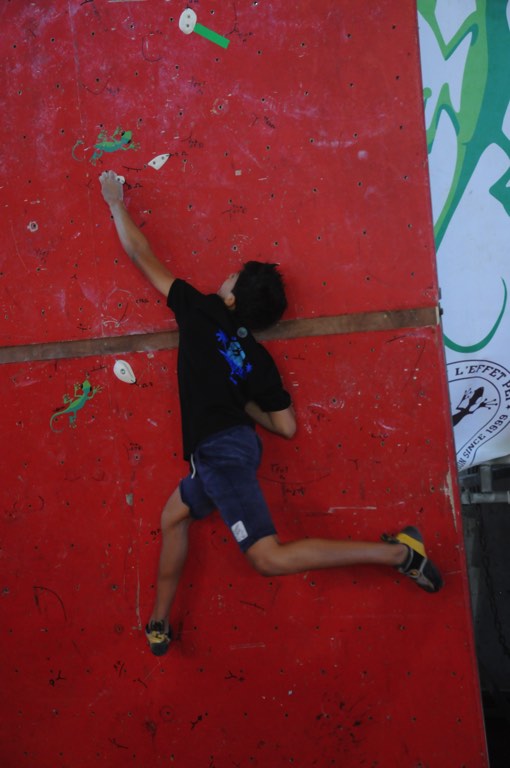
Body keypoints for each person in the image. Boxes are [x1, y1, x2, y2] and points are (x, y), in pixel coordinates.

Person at [99, 170, 443, 656]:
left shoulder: (201, 310)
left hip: (220, 453)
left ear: (232, 297)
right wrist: (245, 403)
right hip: (225, 452)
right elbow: (285, 425)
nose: (225, 276)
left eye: (232, 276)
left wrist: (115, 203)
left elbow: (141, 254)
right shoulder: (258, 359)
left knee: (267, 558)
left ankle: (400, 553)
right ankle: (159, 621)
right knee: (173, 518)